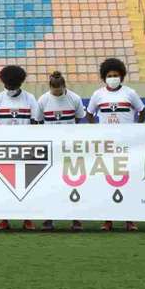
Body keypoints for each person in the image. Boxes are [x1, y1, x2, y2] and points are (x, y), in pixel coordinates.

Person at [86, 58, 145, 232]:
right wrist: (96, 131)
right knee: (107, 181)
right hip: (107, 146)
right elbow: (89, 114)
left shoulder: (130, 93)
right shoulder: (98, 94)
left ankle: (130, 219)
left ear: (122, 76)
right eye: (110, 75)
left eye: (116, 75)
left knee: (128, 181)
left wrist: (136, 130)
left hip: (127, 145)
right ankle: (108, 219)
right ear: (104, 77)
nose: (113, 78)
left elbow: (142, 112)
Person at [0, 65, 41, 231]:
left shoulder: (29, 98)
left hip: (26, 149)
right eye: (7, 86)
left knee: (27, 186)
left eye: (13, 86)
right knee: (4, 186)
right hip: (3, 149)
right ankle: (4, 219)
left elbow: (35, 122)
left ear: (20, 83)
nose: (9, 89)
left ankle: (28, 219)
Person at [37, 71, 85, 232]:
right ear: (50, 87)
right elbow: (38, 122)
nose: (56, 93)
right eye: (53, 90)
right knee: (50, 185)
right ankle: (48, 219)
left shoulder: (74, 98)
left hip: (70, 148)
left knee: (73, 183)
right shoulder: (43, 100)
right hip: (51, 150)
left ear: (64, 86)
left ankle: (76, 219)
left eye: (59, 90)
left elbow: (78, 119)